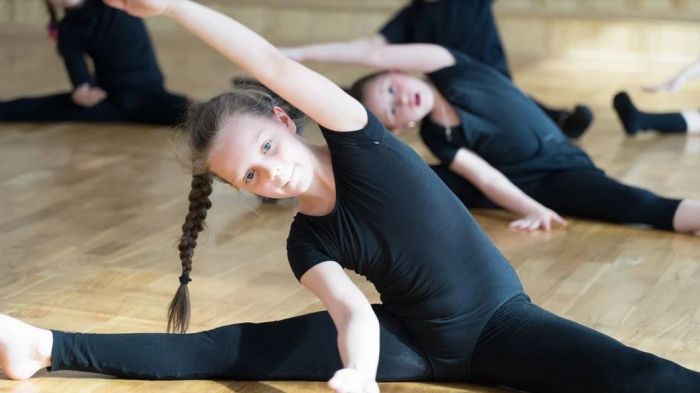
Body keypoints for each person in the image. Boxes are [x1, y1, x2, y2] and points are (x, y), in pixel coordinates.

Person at [2, 2, 699, 393]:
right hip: (412, 343)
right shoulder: (306, 241)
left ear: (285, 122)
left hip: (501, 327)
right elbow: (352, 314)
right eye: (249, 177)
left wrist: (179, 7)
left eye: (267, 152)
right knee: (226, 349)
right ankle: (45, 345)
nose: (267, 176)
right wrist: (359, 377)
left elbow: (271, 65)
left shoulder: (364, 144)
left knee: (632, 374)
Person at [284, 41, 700, 233]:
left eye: (392, 88)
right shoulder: (439, 137)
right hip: (534, 184)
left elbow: (372, 54)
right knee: (422, 179)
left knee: (632, 202)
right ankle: (316, 181)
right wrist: (533, 208)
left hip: (562, 166)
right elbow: (487, 179)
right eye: (392, 110)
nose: (401, 100)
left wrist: (302, 56)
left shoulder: (450, 64)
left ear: (402, 71)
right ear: (399, 127)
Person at [282, 0, 594, 139]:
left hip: (494, 84)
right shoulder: (410, 16)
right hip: (455, 98)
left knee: (519, 107)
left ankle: (561, 122)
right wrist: (300, 53)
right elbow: (369, 48)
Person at [0, 0, 188, 126]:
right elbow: (79, 75)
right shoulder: (67, 29)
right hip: (110, 100)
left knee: (195, 114)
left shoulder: (111, 2)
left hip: (149, 95)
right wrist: (81, 91)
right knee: (38, 107)